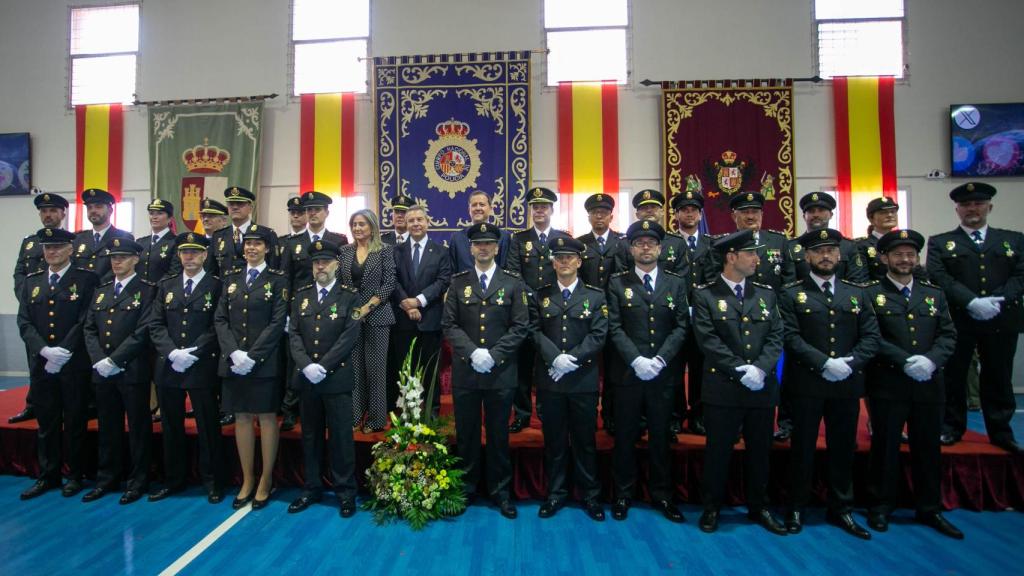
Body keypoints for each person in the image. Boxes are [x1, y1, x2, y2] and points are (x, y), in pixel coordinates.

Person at [779, 228, 880, 540]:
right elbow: (790, 336)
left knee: (843, 448)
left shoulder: (857, 293)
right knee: (803, 447)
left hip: (845, 384)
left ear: (839, 255)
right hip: (807, 383)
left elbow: (871, 336)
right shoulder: (791, 293)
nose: (825, 256)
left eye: (831, 251)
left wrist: (847, 364)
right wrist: (823, 363)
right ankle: (796, 506)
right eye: (819, 251)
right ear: (807, 256)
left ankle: (842, 508)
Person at [863, 229, 963, 539]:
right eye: (898, 254)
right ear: (884, 258)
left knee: (928, 447)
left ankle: (929, 507)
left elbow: (948, 334)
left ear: (916, 258)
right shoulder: (869, 294)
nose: (905, 259)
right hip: (888, 383)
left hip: (929, 384)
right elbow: (872, 336)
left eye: (910, 254)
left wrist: (931, 361)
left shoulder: (933, 294)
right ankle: (880, 506)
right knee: (886, 446)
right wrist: (905, 361)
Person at [692, 229, 787, 535]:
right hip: (724, 387)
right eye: (751, 254)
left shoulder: (766, 295)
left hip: (760, 386)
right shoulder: (705, 294)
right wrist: (739, 369)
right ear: (731, 257)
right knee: (718, 452)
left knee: (761, 451)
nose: (757, 259)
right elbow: (707, 340)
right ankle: (711, 508)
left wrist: (759, 369)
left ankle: (759, 506)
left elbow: (776, 336)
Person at [926, 182, 1024, 452]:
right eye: (966, 205)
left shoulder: (1013, 240)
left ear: (989, 207)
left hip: (1001, 318)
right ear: (957, 209)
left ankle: (1001, 431)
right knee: (954, 375)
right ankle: (951, 427)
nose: (972, 209)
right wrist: (971, 301)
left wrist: (996, 301)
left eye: (978, 204)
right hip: (958, 319)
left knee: (998, 376)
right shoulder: (941, 242)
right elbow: (938, 276)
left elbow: (1020, 274)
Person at [442, 222, 530, 519]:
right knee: (466, 434)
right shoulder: (457, 283)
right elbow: (449, 324)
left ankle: (500, 492)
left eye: (488, 244)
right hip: (467, 372)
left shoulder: (512, 282)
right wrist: (472, 353)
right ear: (470, 248)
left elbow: (521, 326)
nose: (483, 248)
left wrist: (492, 355)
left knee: (497, 435)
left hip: (500, 372)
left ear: (497, 247)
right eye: (478, 244)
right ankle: (467, 489)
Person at [606, 220, 689, 523]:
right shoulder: (617, 282)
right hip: (628, 375)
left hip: (663, 375)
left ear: (660, 248)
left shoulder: (676, 283)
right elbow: (613, 326)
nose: (644, 247)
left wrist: (660, 360)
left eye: (650, 243)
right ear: (630, 249)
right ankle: (623, 494)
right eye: (639, 243)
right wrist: (636, 360)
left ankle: (662, 495)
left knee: (660, 437)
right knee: (625, 437)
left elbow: (682, 326)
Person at [775, 192, 868, 443]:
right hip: (805, 322)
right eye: (811, 211)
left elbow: (859, 284)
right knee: (794, 391)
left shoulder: (849, 246)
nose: (816, 215)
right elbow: (787, 281)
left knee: (843, 434)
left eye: (821, 210)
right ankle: (786, 422)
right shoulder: (791, 246)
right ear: (804, 215)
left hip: (844, 324)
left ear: (830, 214)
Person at [17, 228, 99, 500]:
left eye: (58, 247)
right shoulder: (33, 281)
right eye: (47, 248)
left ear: (70, 250)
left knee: (75, 421)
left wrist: (63, 350)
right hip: (43, 364)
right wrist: (44, 350)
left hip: (73, 363)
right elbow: (24, 321)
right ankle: (48, 475)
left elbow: (86, 318)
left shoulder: (86, 280)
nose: (52, 252)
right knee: (46, 423)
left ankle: (75, 475)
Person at [532, 236, 607, 521]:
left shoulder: (595, 296)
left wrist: (570, 360)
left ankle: (590, 496)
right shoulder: (541, 295)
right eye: (559, 258)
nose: (564, 262)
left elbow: (599, 334)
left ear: (579, 261)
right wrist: (555, 359)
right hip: (551, 380)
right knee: (554, 440)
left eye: (569, 258)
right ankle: (556, 494)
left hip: (582, 381)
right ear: (553, 262)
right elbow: (534, 331)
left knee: (585, 440)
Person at [148, 233, 226, 504]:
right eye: (184, 252)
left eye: (195, 252)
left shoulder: (216, 285)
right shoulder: (166, 285)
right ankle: (174, 479)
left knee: (207, 426)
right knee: (171, 427)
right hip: (169, 365)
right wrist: (172, 352)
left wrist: (193, 352)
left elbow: (218, 323)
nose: (189, 257)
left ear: (205, 255)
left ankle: (213, 480)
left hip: (201, 364)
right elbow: (155, 323)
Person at [287, 240, 363, 518]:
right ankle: (312, 487)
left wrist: (324, 366)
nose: (321, 266)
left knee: (342, 437)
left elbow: (350, 335)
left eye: (326, 262)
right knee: (311, 435)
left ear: (336, 265)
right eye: (317, 262)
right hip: (307, 378)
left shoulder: (350, 296)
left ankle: (345, 492)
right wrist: (306, 366)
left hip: (336, 378)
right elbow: (293, 333)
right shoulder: (301, 295)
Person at [215, 225, 288, 510]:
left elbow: (277, 322)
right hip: (234, 361)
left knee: (267, 418)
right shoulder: (231, 278)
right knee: (242, 417)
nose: (251, 248)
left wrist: (252, 356)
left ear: (267, 248)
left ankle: (266, 479)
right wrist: (234, 352)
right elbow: (220, 319)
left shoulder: (278, 280)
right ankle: (247, 478)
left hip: (264, 361)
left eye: (257, 244)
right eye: (247, 244)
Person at [82, 238, 156, 504]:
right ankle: (107, 478)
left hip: (131, 369)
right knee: (108, 426)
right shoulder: (101, 290)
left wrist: (115, 360)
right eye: (113, 257)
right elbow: (89, 328)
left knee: (138, 427)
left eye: (123, 257)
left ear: (136, 259)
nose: (117, 262)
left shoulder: (148, 290)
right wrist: (99, 359)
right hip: (102, 370)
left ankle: (138, 480)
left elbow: (144, 330)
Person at [278, 191, 349, 431]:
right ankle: (290, 408)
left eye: (317, 209)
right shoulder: (292, 243)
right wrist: (287, 313)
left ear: (327, 212)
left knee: (327, 356)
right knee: (295, 361)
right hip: (300, 310)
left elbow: (343, 277)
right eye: (309, 210)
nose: (312, 214)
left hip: (331, 309)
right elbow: (285, 279)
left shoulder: (338, 240)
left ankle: (326, 406)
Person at [507, 187, 572, 432]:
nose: (540, 210)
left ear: (552, 210)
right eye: (535, 207)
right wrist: (532, 297)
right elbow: (514, 273)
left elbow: (567, 271)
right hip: (524, 311)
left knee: (547, 363)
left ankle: (546, 411)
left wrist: (546, 298)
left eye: (544, 206)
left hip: (554, 310)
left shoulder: (562, 237)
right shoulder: (519, 239)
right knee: (522, 365)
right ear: (531, 211)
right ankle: (522, 413)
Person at [10, 192, 69, 425]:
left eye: (53, 211)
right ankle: (33, 405)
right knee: (35, 361)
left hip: (62, 312)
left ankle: (65, 406)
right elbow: (19, 274)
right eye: (44, 211)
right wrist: (28, 300)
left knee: (65, 365)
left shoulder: (71, 240)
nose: (48, 215)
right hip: (35, 313)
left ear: (63, 213)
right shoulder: (30, 242)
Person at [388, 203, 451, 416]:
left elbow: (443, 281)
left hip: (430, 319)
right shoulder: (395, 251)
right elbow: (392, 280)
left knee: (430, 369)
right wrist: (406, 302)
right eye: (411, 220)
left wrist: (419, 301)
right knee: (406, 369)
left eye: (419, 220)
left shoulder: (442, 251)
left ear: (427, 222)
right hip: (403, 320)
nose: (415, 224)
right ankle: (407, 410)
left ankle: (431, 411)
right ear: (405, 224)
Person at [338, 209, 396, 433]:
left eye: (362, 224)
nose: (357, 228)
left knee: (376, 371)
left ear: (372, 227)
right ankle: (354, 417)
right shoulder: (344, 251)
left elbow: (389, 283)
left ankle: (375, 420)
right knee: (354, 369)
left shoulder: (384, 251)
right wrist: (353, 310)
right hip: (351, 319)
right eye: (354, 224)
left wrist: (367, 307)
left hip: (378, 317)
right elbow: (340, 283)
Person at [575, 193, 628, 435]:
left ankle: (610, 414)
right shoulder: (579, 244)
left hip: (616, 315)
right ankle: (586, 412)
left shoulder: (622, 243)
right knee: (587, 366)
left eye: (604, 212)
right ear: (588, 216)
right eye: (595, 212)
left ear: (611, 216)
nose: (599, 216)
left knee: (614, 368)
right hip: (586, 316)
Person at [671, 190, 716, 436]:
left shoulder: (712, 244)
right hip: (675, 318)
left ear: (700, 214)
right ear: (676, 214)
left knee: (700, 369)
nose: (689, 214)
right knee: (675, 369)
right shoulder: (668, 243)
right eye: (684, 210)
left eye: (693, 210)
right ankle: (676, 415)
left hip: (703, 318)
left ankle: (698, 416)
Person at [720, 192, 794, 291]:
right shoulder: (725, 245)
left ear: (761, 215)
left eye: (755, 212)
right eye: (745, 212)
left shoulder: (778, 241)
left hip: (773, 303)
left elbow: (789, 280)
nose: (750, 217)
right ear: (734, 216)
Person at [208, 187, 279, 276]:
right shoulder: (218, 236)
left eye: (240, 203)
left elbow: (274, 268)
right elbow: (211, 271)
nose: (235, 207)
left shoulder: (267, 234)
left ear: (250, 208)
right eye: (231, 204)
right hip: (225, 287)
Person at [72, 188, 134, 284]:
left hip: (107, 293)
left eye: (98, 207)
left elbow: (123, 269)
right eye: (89, 207)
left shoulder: (123, 237)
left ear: (110, 210)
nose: (93, 210)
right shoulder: (77, 239)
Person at [449, 190, 512, 273]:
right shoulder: (457, 238)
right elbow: (452, 272)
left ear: (490, 209)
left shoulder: (503, 236)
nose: (478, 208)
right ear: (469, 209)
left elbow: (506, 270)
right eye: (474, 205)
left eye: (482, 205)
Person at [631, 189, 689, 276]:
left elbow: (682, 277)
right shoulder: (626, 243)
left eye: (653, 207)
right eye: (644, 208)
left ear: (662, 212)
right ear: (637, 215)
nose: (649, 211)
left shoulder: (677, 242)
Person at [136, 198, 181, 283]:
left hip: (162, 292)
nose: (154, 217)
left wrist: (153, 287)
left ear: (170, 218)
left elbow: (174, 272)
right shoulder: (140, 242)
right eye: (151, 213)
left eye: (160, 213)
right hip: (140, 293)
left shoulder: (176, 242)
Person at [198, 198, 230, 275]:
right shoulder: (198, 242)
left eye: (211, 216)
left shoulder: (230, 241)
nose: (205, 219)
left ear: (224, 221)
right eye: (203, 216)